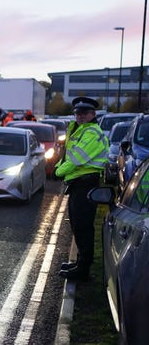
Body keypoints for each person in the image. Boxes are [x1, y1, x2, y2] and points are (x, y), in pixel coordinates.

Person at [55, 97, 109, 281]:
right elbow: (68, 154)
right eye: (78, 112)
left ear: (93, 114)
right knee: (78, 224)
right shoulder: (80, 129)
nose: (80, 116)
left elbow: (77, 159)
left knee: (84, 226)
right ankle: (79, 263)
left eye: (85, 113)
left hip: (86, 183)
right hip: (79, 183)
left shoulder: (92, 132)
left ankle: (83, 270)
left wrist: (58, 171)